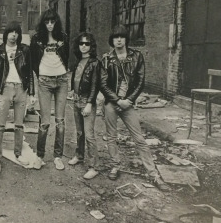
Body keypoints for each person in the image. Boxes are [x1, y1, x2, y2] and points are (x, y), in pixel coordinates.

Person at [100, 25, 170, 191]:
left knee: (139, 138)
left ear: (126, 39)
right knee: (111, 136)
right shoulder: (106, 59)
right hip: (112, 102)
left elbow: (140, 81)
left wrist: (129, 100)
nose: (118, 40)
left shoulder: (137, 56)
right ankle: (115, 165)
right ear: (112, 40)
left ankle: (153, 174)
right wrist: (117, 100)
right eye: (115, 37)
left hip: (128, 103)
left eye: (121, 37)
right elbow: (103, 84)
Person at [0, 21, 36, 173]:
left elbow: (29, 73)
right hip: (5, 89)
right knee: (0, 125)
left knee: (19, 124)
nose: (14, 35)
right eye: (11, 32)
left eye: (16, 32)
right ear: (6, 34)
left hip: (21, 89)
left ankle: (18, 153)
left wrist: (31, 94)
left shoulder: (25, 50)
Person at [30, 9, 70, 170]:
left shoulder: (63, 38)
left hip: (62, 80)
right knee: (45, 122)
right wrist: (40, 75)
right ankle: (40, 156)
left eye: (52, 22)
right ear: (43, 23)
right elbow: (33, 60)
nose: (50, 25)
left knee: (60, 121)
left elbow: (67, 57)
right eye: (47, 22)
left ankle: (58, 157)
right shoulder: (37, 39)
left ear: (56, 22)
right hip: (44, 82)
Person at [68, 32, 101, 179]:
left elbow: (95, 85)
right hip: (76, 100)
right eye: (81, 43)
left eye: (87, 44)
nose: (83, 46)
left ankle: (94, 167)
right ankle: (79, 155)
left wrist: (89, 103)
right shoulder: (78, 61)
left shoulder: (95, 63)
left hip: (87, 101)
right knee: (80, 132)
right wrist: (71, 91)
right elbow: (76, 79)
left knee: (89, 135)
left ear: (91, 46)